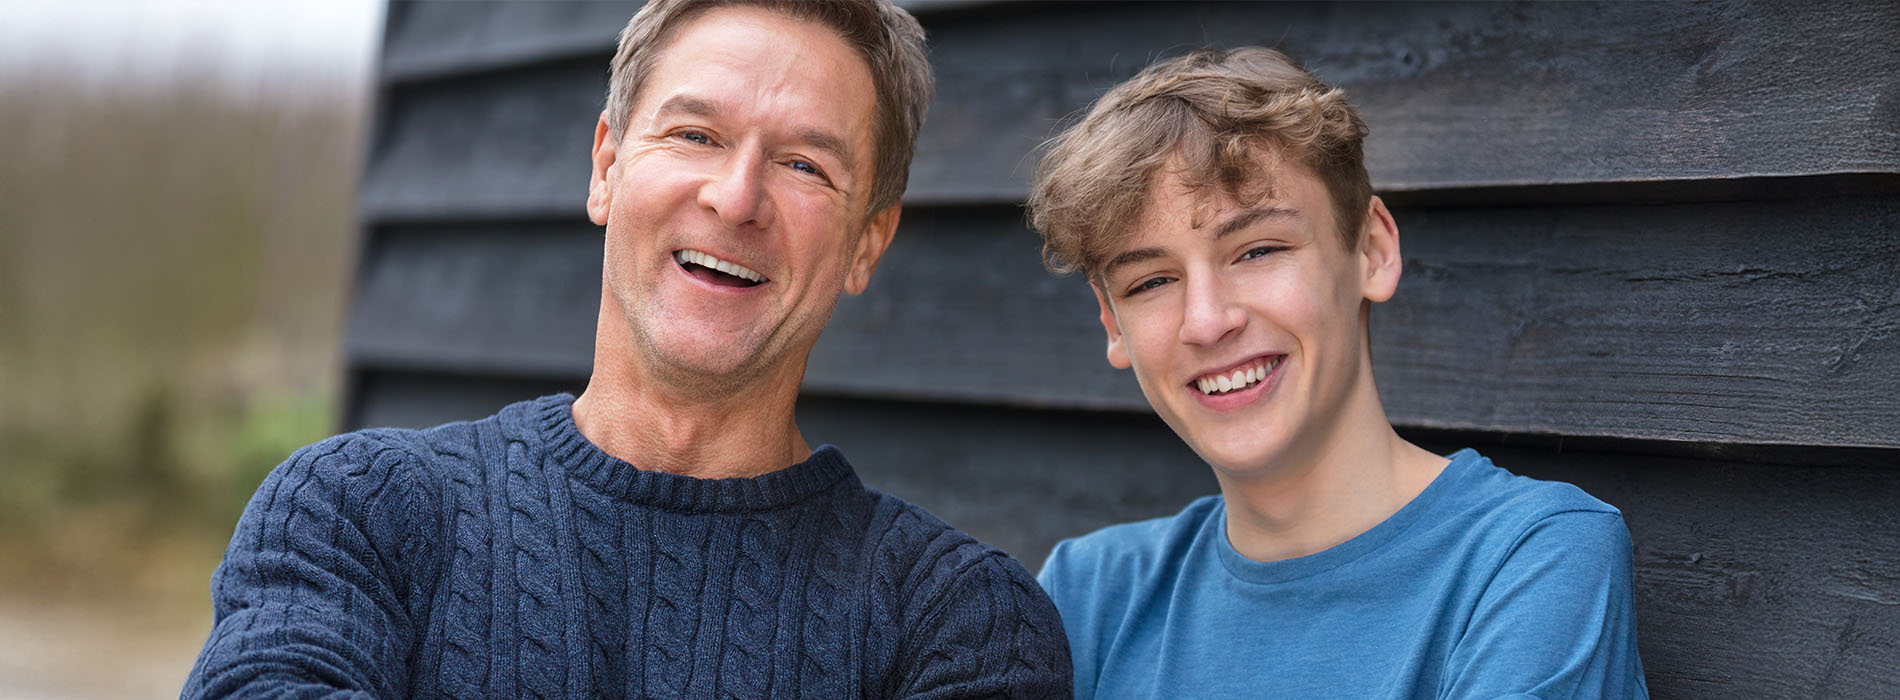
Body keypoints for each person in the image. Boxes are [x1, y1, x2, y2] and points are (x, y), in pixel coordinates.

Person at [182, 1, 1070, 697]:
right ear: (606, 167)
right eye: (695, 135)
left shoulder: (961, 622)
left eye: (805, 164)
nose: (735, 196)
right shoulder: (355, 514)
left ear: (868, 242)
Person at [1027, 47, 1647, 699]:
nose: (1206, 322)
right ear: (1111, 323)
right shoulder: (1091, 594)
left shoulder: (1529, 558)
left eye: (1257, 249)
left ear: (1372, 251)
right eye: (1152, 281)